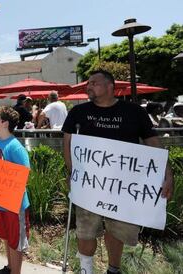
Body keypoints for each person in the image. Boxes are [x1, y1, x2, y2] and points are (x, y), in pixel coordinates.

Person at [62, 70, 174, 274]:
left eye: (94, 83)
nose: (89, 87)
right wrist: (73, 173)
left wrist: (167, 173)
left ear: (110, 87)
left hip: (123, 189)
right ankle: (86, 269)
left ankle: (113, 269)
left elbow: (152, 143)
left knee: (117, 231)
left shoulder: (134, 112)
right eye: (88, 84)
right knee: (86, 231)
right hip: (89, 185)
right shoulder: (78, 113)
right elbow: (68, 144)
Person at [0, 107, 30, 274]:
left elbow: (25, 173)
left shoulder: (15, 147)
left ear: (4, 123)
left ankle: (16, 271)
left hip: (14, 206)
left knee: (16, 242)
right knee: (6, 237)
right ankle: (9, 267)